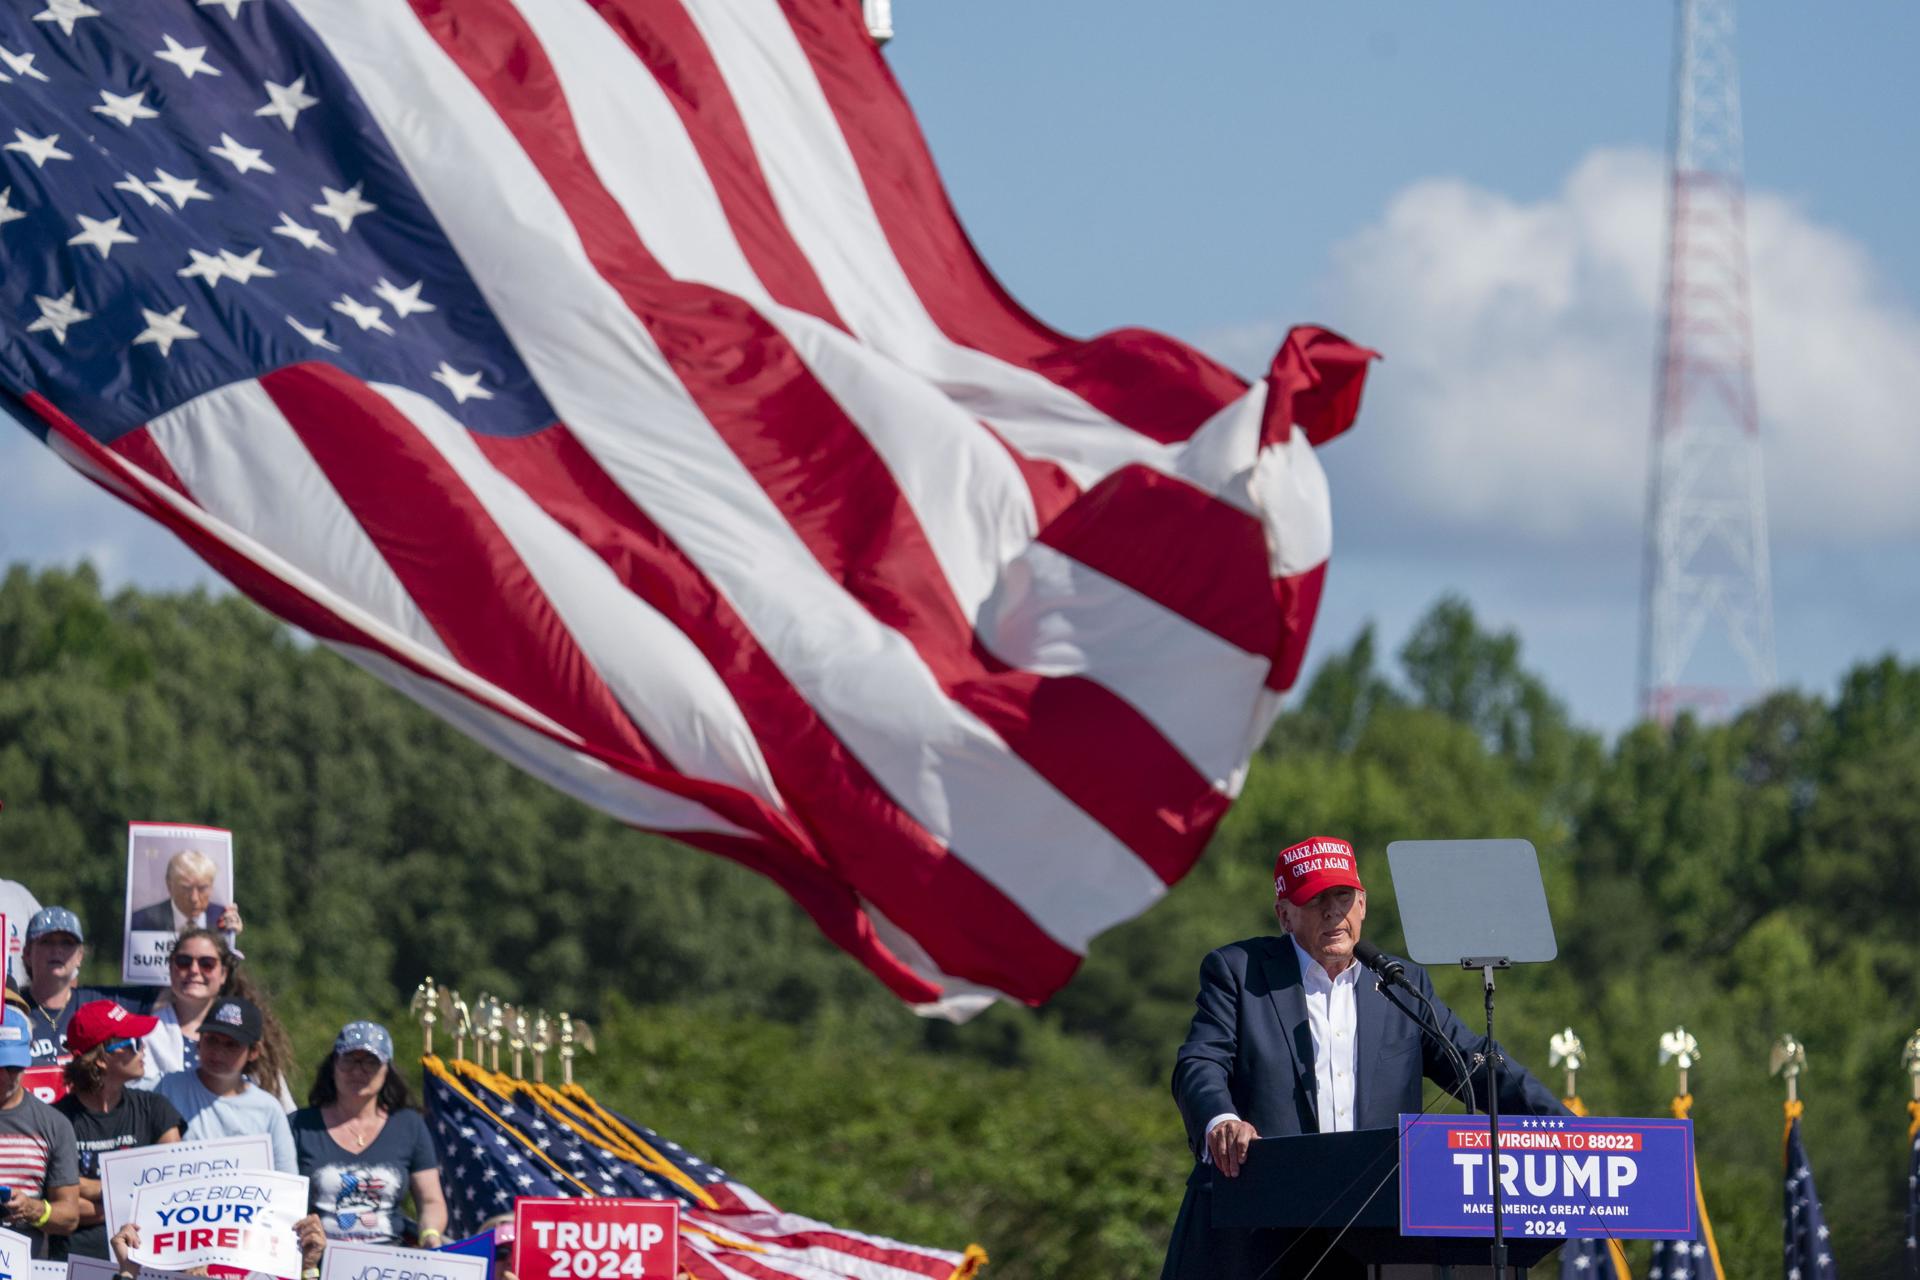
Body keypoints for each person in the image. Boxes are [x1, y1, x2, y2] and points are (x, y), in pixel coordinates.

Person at [1161, 836, 1566, 1280]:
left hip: (1372, 1239)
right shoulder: (1238, 971)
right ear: (1284, 914)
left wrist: (1571, 1132)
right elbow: (1199, 1063)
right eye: (1315, 900)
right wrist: (1221, 1120)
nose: (1333, 912)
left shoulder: (1400, 984)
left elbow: (1477, 1063)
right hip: (1257, 1234)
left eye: (1343, 896)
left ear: (1363, 905)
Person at [292, 1020, 447, 1246]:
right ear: (334, 1065)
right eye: (349, 1060)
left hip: (390, 1266)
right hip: (318, 1265)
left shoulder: (410, 1125)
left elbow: (431, 1201)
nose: (358, 1071)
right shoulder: (299, 1125)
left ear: (387, 1070)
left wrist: (430, 1235)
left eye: (370, 1063)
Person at [53, 1000, 183, 1261]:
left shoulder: (156, 1109)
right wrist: (133, 1200)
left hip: (144, 1258)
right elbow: (62, 1206)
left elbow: (174, 1188)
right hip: (75, 1261)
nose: (143, 1048)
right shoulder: (57, 1120)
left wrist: (88, 1189)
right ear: (101, 1060)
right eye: (133, 1042)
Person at [138, 928, 294, 1108]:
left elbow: (279, 1104)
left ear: (223, 974)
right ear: (171, 968)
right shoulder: (143, 1033)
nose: (194, 970)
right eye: (183, 962)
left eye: (207, 963)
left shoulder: (244, 1029)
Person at [153, 995, 296, 1173]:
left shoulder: (269, 1109)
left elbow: (286, 1182)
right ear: (199, 1040)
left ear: (253, 1052)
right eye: (211, 1040)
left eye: (231, 1045)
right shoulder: (168, 1087)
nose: (218, 1052)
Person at [0, 1002, 79, 1256]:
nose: (3, 1077)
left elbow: (69, 1217)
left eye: (13, 1067)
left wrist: (33, 1209)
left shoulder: (54, 1124)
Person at [18, 907, 109, 1066]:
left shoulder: (95, 1005)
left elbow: (158, 997)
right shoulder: (11, 1009)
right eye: (46, 942)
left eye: (67, 943)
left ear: (79, 956)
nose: (57, 950)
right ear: (27, 954)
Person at [128, 849, 240, 934]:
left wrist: (233, 938)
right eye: (186, 888)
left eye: (202, 888)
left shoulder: (223, 919)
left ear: (211, 887)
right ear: (169, 885)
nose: (194, 898)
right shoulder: (141, 921)